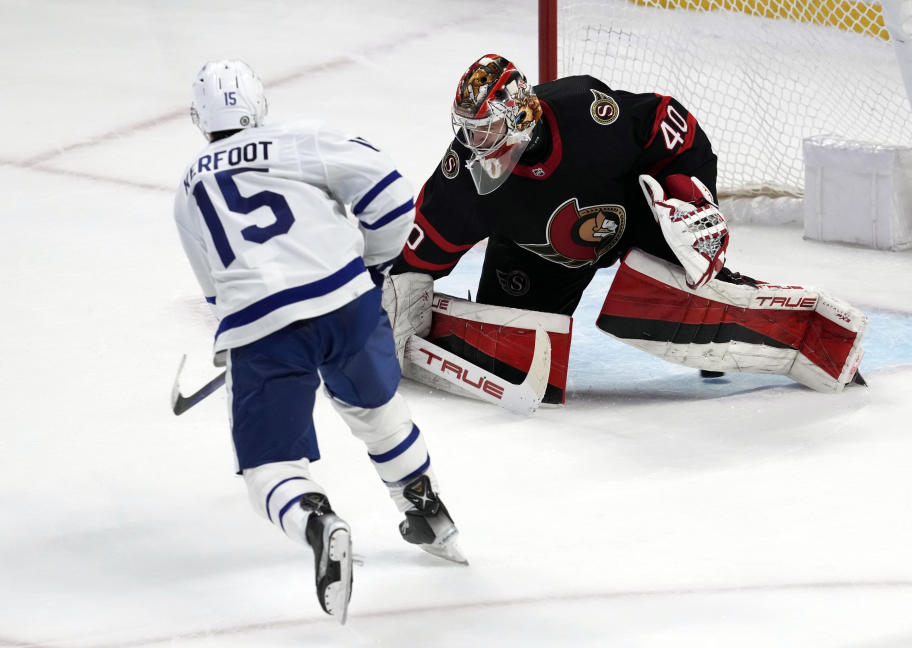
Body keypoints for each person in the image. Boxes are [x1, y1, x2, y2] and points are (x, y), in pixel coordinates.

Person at [172, 60, 465, 624]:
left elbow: (215, 295)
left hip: (261, 326)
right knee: (376, 410)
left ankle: (318, 520)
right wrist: (372, 266)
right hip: (346, 302)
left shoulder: (188, 188)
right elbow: (393, 198)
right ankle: (425, 510)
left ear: (199, 120)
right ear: (258, 106)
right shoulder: (298, 137)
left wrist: (243, 347)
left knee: (269, 468)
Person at [384, 54, 866, 395]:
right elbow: (422, 244)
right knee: (512, 353)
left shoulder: (586, 112)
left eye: (485, 128)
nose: (476, 143)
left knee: (682, 284)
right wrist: (405, 286)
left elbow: (668, 123)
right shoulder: (465, 174)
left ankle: (761, 325)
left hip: (634, 217)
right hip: (537, 257)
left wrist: (689, 193)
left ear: (519, 116)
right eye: (467, 130)